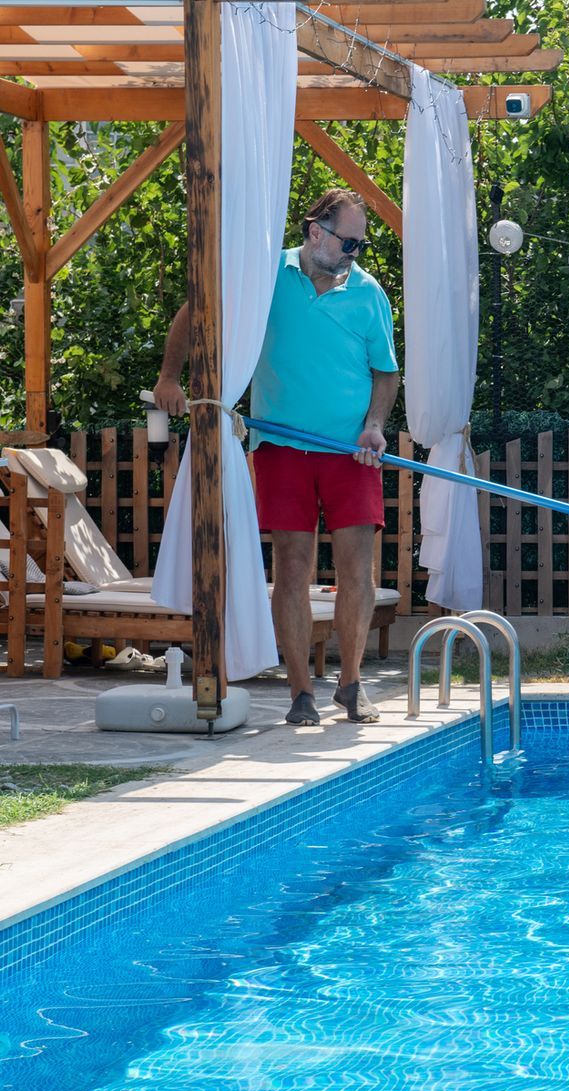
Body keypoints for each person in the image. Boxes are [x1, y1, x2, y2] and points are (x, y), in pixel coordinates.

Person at [154, 187, 399, 726]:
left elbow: (386, 371)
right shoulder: (264, 275)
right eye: (349, 241)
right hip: (281, 447)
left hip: (350, 454)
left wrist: (374, 426)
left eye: (361, 242)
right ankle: (300, 694)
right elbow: (196, 308)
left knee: (358, 568)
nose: (356, 252)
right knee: (292, 566)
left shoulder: (367, 293)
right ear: (316, 232)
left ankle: (352, 685)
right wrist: (169, 377)